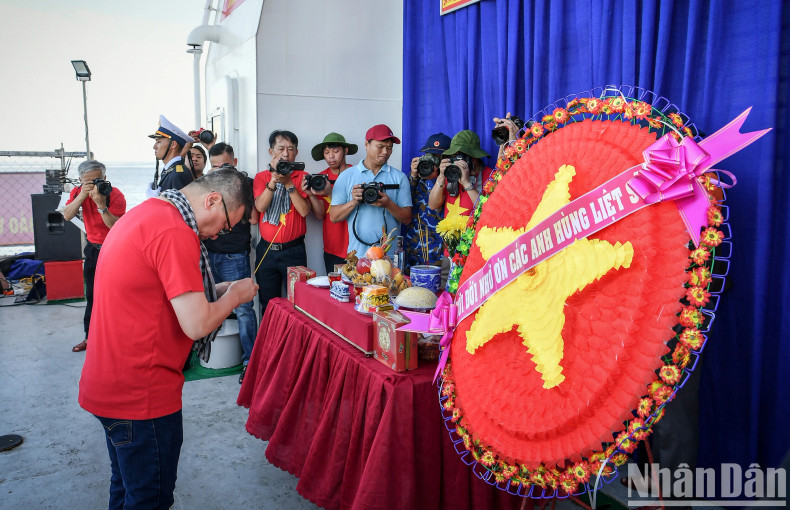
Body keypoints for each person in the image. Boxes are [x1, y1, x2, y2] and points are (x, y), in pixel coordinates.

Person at [79, 167, 257, 509]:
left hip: (111, 384)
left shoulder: (151, 212)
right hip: (140, 396)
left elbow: (165, 293)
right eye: (226, 224)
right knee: (148, 499)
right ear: (212, 199)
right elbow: (196, 324)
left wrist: (221, 290)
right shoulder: (174, 232)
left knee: (125, 488)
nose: (221, 234)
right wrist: (234, 296)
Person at [205, 142, 258, 384]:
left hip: (234, 256)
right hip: (208, 255)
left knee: (244, 310)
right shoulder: (205, 186)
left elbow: (254, 218)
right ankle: (209, 352)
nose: (221, 171)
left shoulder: (245, 184)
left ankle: (251, 362)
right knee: (206, 301)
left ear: (235, 162)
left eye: (225, 165)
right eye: (215, 167)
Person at [62, 160, 126, 353]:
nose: (93, 185)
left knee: (117, 296)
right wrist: (82, 195)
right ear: (80, 181)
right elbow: (66, 215)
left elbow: (114, 226)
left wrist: (101, 205)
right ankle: (90, 338)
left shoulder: (114, 194)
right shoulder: (78, 193)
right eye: (87, 182)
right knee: (92, 295)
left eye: (97, 180)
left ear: (105, 178)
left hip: (114, 249)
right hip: (92, 249)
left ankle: (120, 338)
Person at [330, 124, 412, 258]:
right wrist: (354, 202)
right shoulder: (346, 176)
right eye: (380, 146)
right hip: (357, 256)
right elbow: (333, 217)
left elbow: (407, 218)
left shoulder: (399, 177)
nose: (385, 152)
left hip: (389, 257)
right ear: (366, 144)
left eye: (389, 148)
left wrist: (388, 204)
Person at [253, 130, 311, 316]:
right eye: (281, 148)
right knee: (268, 303)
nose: (286, 153)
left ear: (296, 152)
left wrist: (288, 183)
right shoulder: (261, 177)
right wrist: (273, 180)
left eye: (290, 149)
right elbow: (261, 207)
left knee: (299, 305)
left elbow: (304, 210)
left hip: (294, 251)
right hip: (267, 251)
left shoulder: (303, 176)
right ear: (271, 152)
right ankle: (270, 344)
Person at [306, 132, 357, 273]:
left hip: (356, 245)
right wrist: (311, 195)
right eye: (327, 152)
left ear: (345, 151)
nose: (331, 156)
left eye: (336, 151)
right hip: (332, 246)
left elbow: (357, 205)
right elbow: (319, 215)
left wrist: (330, 193)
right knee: (334, 291)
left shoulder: (357, 174)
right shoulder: (320, 179)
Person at [403, 133, 449, 274]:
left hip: (438, 253)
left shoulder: (450, 180)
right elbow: (403, 202)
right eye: (430, 156)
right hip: (414, 248)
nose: (433, 162)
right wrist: (413, 175)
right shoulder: (417, 178)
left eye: (438, 158)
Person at [148, 114, 195, 196]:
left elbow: (180, 207)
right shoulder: (170, 170)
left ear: (173, 144)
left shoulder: (179, 174)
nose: (154, 147)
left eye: (159, 141)